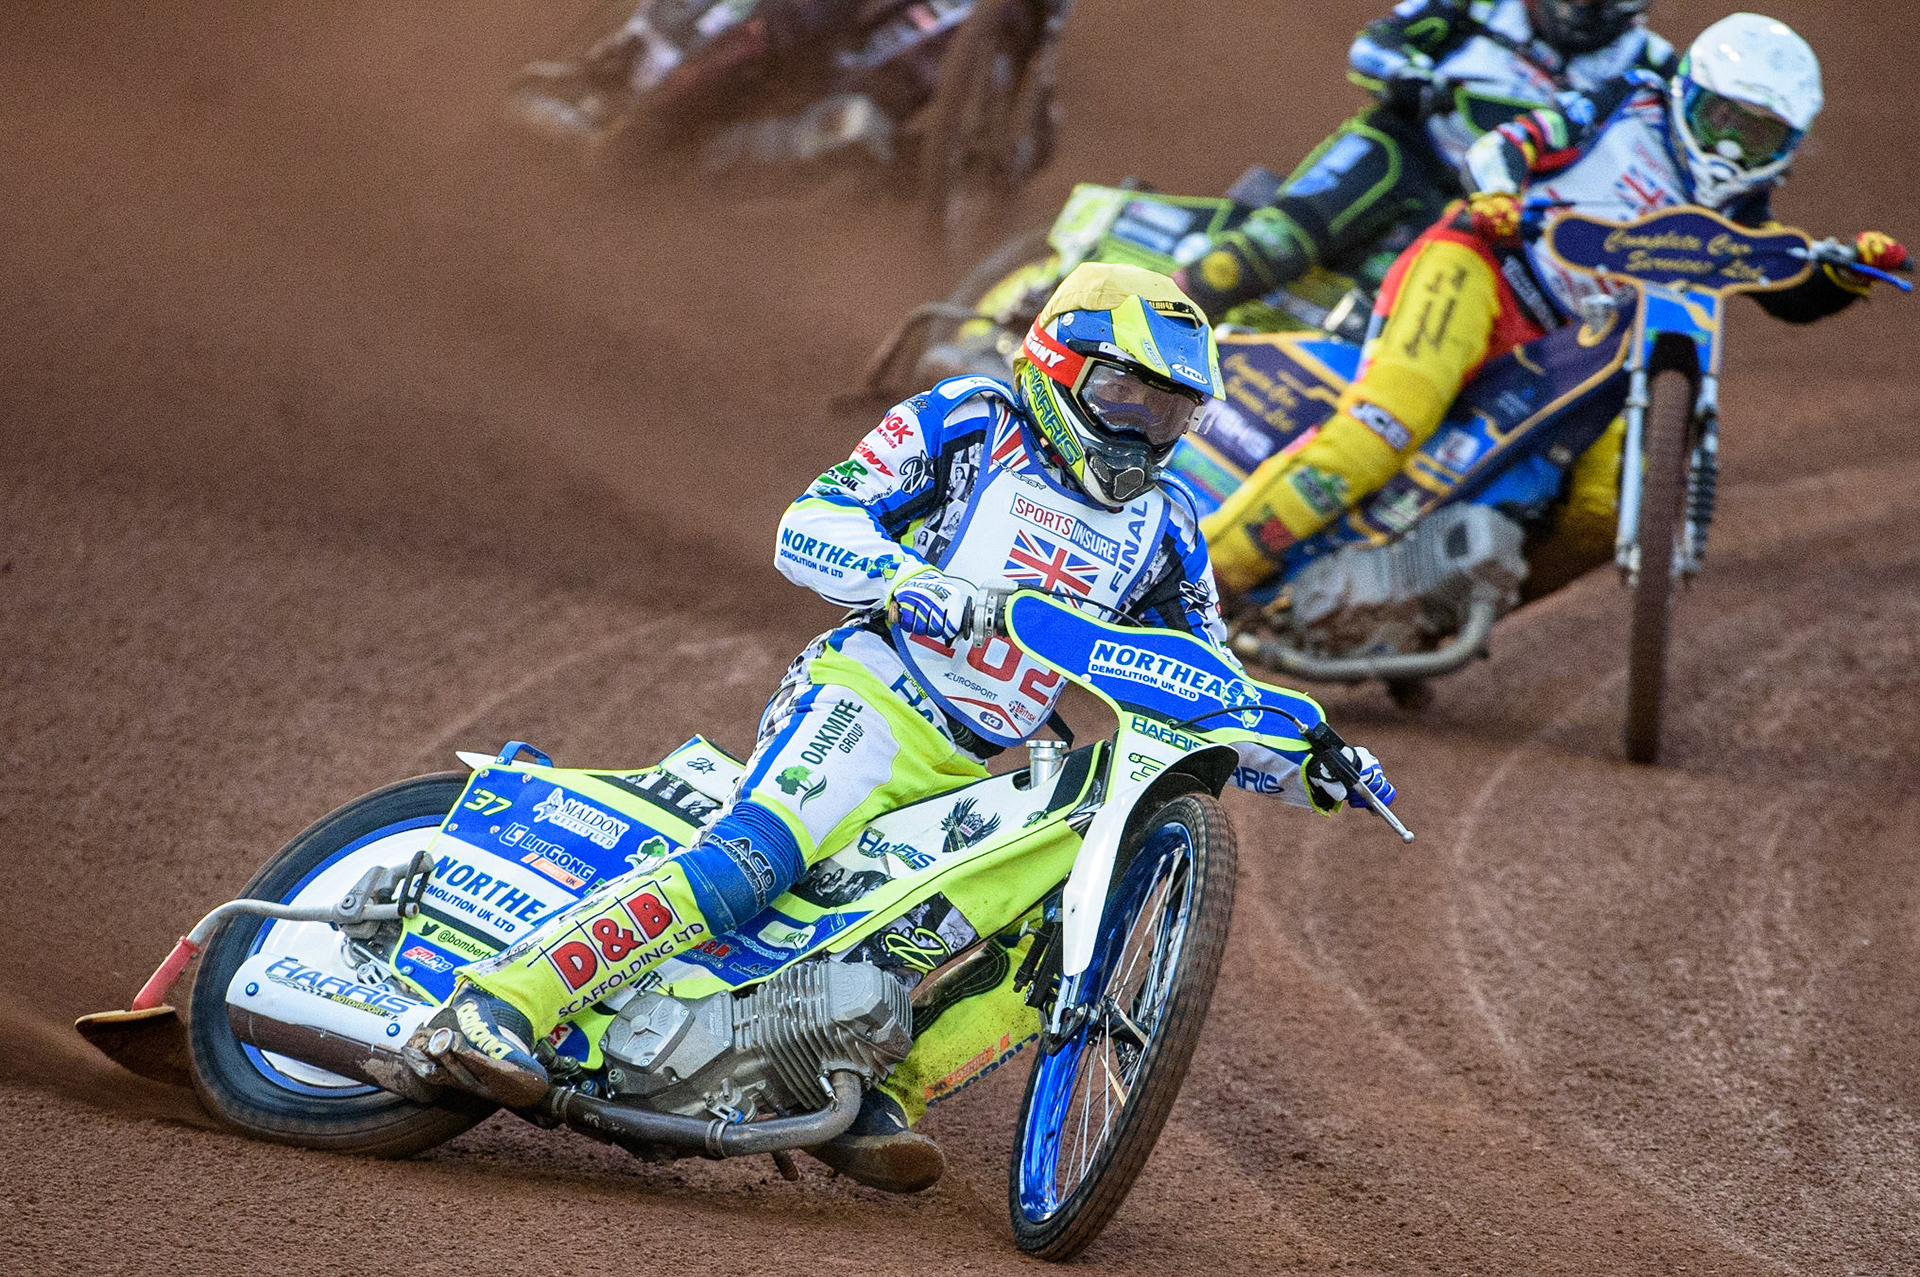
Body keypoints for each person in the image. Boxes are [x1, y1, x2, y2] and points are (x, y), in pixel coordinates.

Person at [403, 263, 1397, 1191]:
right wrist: (915, 582)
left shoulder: (1169, 525)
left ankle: (884, 1090)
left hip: (981, 760)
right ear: (1056, 366)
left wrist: (1307, 758)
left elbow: (1203, 676)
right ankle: (505, 1001)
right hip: (874, 692)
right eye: (1123, 398)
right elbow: (811, 521)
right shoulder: (969, 423)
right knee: (756, 859)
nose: (1141, 431)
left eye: (1168, 410)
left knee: (1026, 936)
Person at [1200, 12, 1909, 599]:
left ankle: (1432, 611)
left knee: (1607, 510)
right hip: (1484, 268)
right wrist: (1499, 194)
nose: (1729, 144)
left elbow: (1785, 288)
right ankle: (1210, 577)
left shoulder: (1740, 206)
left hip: (1585, 343)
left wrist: (1848, 273)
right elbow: (1509, 144)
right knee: (1388, 421)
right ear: (1690, 91)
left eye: (1756, 134)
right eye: (1722, 117)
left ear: (1785, 146)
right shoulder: (1626, 100)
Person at [1173, 0, 1678, 320]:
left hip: (1502, 202)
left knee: (1410, 316)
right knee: (1248, 258)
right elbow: (1375, 43)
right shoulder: (1476, 5)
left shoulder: (1653, 65)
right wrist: (1407, 74)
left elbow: (1679, 150)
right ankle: (1171, 311)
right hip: (1407, 147)